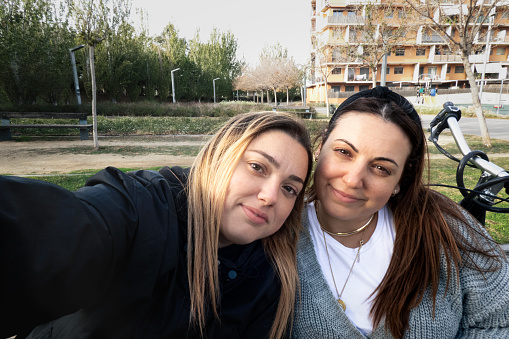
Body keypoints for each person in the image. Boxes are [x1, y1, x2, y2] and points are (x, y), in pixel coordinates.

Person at [0, 111, 313, 339]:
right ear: (218, 160)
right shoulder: (143, 208)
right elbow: (53, 233)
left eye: (289, 189)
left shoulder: (271, 280)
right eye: (257, 167)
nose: (270, 196)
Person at [292, 86, 509, 338]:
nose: (353, 180)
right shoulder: (276, 230)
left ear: (399, 181)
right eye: (343, 152)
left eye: (381, 168)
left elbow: (499, 322)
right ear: (320, 147)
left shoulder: (445, 228)